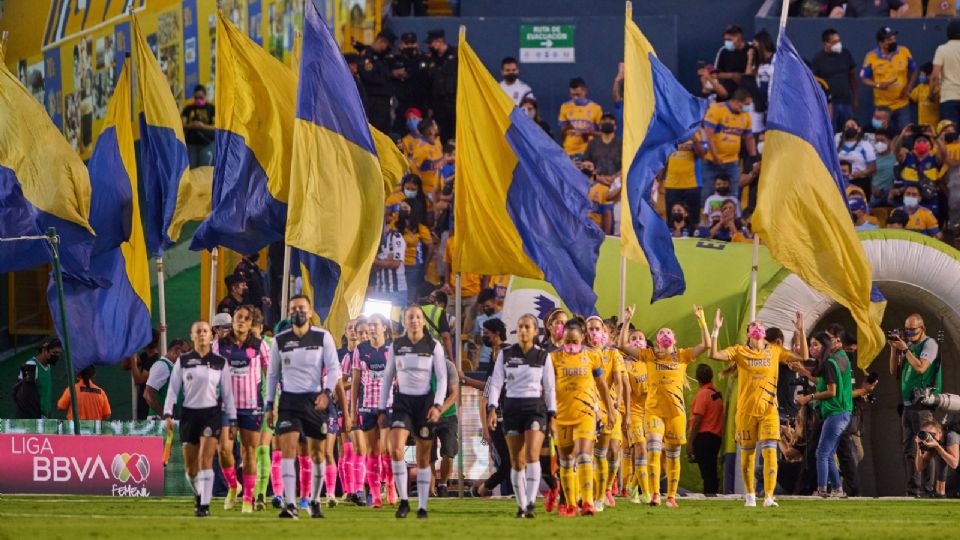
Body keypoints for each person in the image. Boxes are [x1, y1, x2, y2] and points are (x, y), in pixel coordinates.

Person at [617, 305, 711, 508]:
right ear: (657, 340)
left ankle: (671, 497)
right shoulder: (649, 355)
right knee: (652, 450)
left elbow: (706, 344)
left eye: (668, 332)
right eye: (661, 333)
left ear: (674, 340)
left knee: (672, 457)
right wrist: (627, 320)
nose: (665, 334)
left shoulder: (683, 356)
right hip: (653, 413)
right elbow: (622, 345)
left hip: (676, 414)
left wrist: (702, 320)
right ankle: (655, 495)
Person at [710, 313, 808, 506]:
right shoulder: (739, 351)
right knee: (748, 453)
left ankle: (769, 496)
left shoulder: (774, 350)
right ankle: (750, 495)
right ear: (748, 333)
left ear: (763, 332)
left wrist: (801, 330)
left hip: (769, 410)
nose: (756, 328)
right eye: (752, 326)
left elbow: (803, 356)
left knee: (770, 452)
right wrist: (715, 330)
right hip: (746, 412)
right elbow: (714, 354)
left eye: (759, 326)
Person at [265, 295, 341, 519]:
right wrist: (270, 405)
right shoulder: (280, 340)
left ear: (310, 312)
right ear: (289, 313)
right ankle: (290, 504)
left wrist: (327, 393)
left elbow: (334, 369)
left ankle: (315, 500)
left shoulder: (322, 337)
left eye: (301, 308)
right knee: (287, 450)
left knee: (317, 454)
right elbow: (271, 375)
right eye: (293, 309)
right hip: (289, 401)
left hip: (315, 401)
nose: (297, 312)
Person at [378, 305, 448, 519]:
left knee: (423, 458)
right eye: (410, 317)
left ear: (423, 321)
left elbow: (443, 377)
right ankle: (404, 501)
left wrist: (437, 405)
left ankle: (423, 506)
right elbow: (388, 377)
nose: (415, 320)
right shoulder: (397, 345)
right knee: (396, 450)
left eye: (418, 317)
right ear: (404, 321)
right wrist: (382, 408)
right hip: (402, 404)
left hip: (425, 405)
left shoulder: (434, 346)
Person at [485, 314, 557, 518]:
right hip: (511, 409)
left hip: (535, 408)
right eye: (520, 326)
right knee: (517, 461)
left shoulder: (543, 356)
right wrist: (492, 407)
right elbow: (496, 382)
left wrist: (552, 415)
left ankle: (532, 503)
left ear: (535, 331)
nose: (523, 330)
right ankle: (521, 504)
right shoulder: (506, 354)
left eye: (527, 327)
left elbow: (550, 388)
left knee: (532, 454)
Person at [164, 321, 236, 517]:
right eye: (198, 331)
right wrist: (168, 414)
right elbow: (172, 389)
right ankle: (199, 494)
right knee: (191, 469)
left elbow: (228, 395)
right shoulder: (183, 361)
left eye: (205, 330)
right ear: (192, 336)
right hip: (189, 415)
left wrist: (233, 419)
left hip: (211, 414)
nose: (203, 334)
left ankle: (204, 505)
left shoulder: (220, 362)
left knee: (206, 460)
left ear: (211, 335)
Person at [550, 317, 615, 517]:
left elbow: (602, 385)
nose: (570, 345)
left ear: (582, 338)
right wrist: (549, 417)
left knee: (584, 455)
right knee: (566, 462)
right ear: (562, 339)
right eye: (567, 341)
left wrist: (610, 410)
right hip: (562, 416)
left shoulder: (592, 357)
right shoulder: (552, 359)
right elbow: (548, 389)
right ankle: (571, 504)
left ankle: (587, 502)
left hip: (585, 414)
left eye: (574, 342)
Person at [213, 305, 270, 512]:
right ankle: (232, 486)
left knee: (249, 452)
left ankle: (248, 499)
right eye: (239, 317)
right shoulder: (219, 345)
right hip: (226, 408)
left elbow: (270, 375)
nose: (242, 321)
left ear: (250, 323)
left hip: (252, 407)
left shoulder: (260, 345)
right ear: (233, 320)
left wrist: (271, 403)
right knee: (224, 450)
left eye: (246, 318)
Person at [795, 332, 854, 497]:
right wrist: (803, 371)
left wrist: (809, 397)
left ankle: (822, 489)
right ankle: (837, 489)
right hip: (837, 414)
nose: (812, 348)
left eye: (816, 345)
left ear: (825, 346)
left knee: (821, 453)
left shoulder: (829, 363)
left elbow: (831, 391)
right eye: (811, 344)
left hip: (836, 414)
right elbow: (822, 384)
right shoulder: (827, 363)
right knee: (827, 454)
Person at [889, 313, 942, 496]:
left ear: (922, 328)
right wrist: (894, 349)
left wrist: (905, 349)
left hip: (922, 405)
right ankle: (913, 489)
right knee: (909, 450)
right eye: (907, 330)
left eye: (913, 330)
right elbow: (893, 370)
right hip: (907, 405)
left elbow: (921, 368)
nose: (909, 334)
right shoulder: (909, 346)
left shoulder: (930, 344)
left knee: (926, 446)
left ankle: (927, 489)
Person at [584, 316, 627, 512]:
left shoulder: (613, 354)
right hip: (586, 408)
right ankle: (590, 495)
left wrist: (617, 399)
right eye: (590, 329)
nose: (594, 332)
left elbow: (618, 380)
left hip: (608, 407)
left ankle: (603, 492)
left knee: (606, 453)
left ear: (604, 332)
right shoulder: (581, 353)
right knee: (586, 455)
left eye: (597, 329)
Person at [352, 314, 394, 508]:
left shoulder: (392, 349)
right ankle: (376, 495)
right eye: (369, 325)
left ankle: (391, 485)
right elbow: (355, 382)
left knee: (387, 450)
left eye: (375, 325)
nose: (371, 328)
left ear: (384, 327)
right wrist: (353, 410)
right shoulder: (360, 350)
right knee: (372, 451)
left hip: (388, 405)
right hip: (367, 405)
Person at [861, 26, 917, 134]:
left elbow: (914, 70)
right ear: (881, 43)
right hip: (882, 106)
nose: (893, 41)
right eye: (889, 40)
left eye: (894, 38)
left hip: (902, 104)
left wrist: (909, 87)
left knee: (905, 135)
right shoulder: (871, 56)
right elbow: (864, 78)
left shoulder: (904, 51)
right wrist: (878, 85)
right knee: (881, 134)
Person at [703, 88, 756, 200]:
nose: (748, 108)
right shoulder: (717, 109)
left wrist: (753, 158)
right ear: (737, 101)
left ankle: (734, 216)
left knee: (734, 193)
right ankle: (707, 216)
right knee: (708, 193)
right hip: (712, 161)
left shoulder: (745, 116)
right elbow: (709, 135)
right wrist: (715, 156)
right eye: (747, 104)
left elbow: (749, 138)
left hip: (732, 161)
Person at [619, 327, 650, 503]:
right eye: (634, 338)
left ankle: (632, 486)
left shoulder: (650, 363)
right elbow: (626, 391)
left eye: (641, 338)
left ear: (646, 343)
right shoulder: (627, 365)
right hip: (633, 413)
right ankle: (646, 493)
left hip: (651, 414)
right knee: (640, 449)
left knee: (649, 452)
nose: (637, 340)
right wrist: (627, 414)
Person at [682, 364, 723, 496]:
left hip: (704, 437)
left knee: (707, 472)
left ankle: (710, 495)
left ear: (697, 378)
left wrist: (690, 442)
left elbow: (698, 419)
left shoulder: (703, 394)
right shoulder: (716, 393)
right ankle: (712, 494)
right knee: (711, 470)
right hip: (716, 437)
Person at [812, 29, 859, 134]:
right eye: (834, 42)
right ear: (826, 44)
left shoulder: (845, 54)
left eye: (839, 41)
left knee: (850, 132)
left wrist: (855, 97)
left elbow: (852, 76)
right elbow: (815, 84)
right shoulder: (818, 59)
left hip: (846, 102)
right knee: (831, 132)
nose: (838, 44)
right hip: (830, 105)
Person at [430, 346, 460, 498]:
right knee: (428, 455)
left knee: (449, 452)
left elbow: (454, 393)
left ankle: (442, 484)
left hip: (447, 415)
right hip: (426, 416)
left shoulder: (449, 366)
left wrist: (440, 410)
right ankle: (430, 487)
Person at [359, 29, 396, 134]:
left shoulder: (381, 58)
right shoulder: (368, 56)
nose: (388, 49)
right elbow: (369, 76)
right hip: (374, 102)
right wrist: (390, 75)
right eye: (387, 45)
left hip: (384, 103)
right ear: (381, 42)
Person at [425, 30, 458, 143]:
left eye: (431, 43)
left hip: (453, 101)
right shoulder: (431, 59)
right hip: (438, 104)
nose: (429, 46)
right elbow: (429, 83)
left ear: (439, 41)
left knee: (455, 133)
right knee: (441, 134)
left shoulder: (456, 55)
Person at [664, 131, 706, 218]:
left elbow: (702, 154)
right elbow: (664, 155)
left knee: (693, 219)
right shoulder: (670, 131)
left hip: (692, 184)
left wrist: (694, 139)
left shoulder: (699, 132)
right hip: (671, 184)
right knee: (672, 220)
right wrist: (660, 176)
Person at [914, 419, 960, 497]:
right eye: (926, 434)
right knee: (939, 492)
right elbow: (920, 467)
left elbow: (954, 464)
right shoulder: (934, 443)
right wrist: (918, 447)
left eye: (932, 434)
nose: (930, 437)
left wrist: (938, 447)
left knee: (952, 492)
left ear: (939, 432)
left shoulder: (951, 436)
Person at [559, 77, 603, 157]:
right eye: (573, 95)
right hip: (568, 152)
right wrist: (566, 128)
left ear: (585, 91)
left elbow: (603, 135)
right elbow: (562, 135)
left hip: (587, 152)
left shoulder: (596, 108)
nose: (575, 98)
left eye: (578, 95)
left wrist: (591, 132)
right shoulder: (565, 107)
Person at [143, 339, 189, 416]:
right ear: (177, 351)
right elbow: (147, 394)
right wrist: (164, 416)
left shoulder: (173, 368)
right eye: (185, 353)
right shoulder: (162, 366)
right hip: (160, 423)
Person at [19, 337, 61, 419]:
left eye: (59, 353)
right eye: (55, 353)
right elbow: (24, 395)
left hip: (44, 416)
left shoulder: (48, 366)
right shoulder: (31, 365)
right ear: (44, 350)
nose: (57, 356)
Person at [836, 120, 877, 195]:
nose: (850, 128)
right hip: (841, 182)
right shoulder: (838, 146)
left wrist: (859, 174)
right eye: (847, 127)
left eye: (852, 126)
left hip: (860, 182)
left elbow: (873, 168)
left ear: (859, 129)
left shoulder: (865, 145)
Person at [932, 20, 960, 126]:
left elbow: (935, 76)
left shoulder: (942, 49)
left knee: (949, 135)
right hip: (949, 97)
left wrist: (932, 92)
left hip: (949, 97)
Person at [713, 24, 752, 97]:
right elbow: (716, 74)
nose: (727, 42)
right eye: (725, 40)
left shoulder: (751, 49)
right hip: (729, 92)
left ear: (739, 37)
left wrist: (742, 77)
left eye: (730, 40)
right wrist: (732, 75)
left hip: (747, 92)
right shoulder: (723, 51)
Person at [182, 84, 215, 167]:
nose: (198, 100)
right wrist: (191, 125)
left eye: (201, 98)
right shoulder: (188, 108)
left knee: (205, 168)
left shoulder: (211, 108)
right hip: (191, 144)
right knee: (192, 168)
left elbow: (216, 126)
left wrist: (203, 126)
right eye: (196, 98)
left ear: (205, 96)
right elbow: (183, 124)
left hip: (207, 144)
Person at [472, 288, 502, 370]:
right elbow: (476, 339)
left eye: (488, 306)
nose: (485, 308)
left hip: (499, 359)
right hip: (483, 360)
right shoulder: (479, 319)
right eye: (483, 307)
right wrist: (480, 339)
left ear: (494, 302)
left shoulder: (503, 316)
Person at [421, 289, 454, 361]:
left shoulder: (415, 309)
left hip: (417, 351)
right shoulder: (439, 311)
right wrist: (451, 358)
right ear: (442, 304)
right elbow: (445, 337)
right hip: (435, 352)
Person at [910, 63, 940, 129]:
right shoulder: (920, 87)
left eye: (922, 75)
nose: (920, 77)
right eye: (920, 75)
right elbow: (911, 97)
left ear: (930, 75)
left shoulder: (938, 88)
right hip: (922, 124)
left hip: (935, 125)